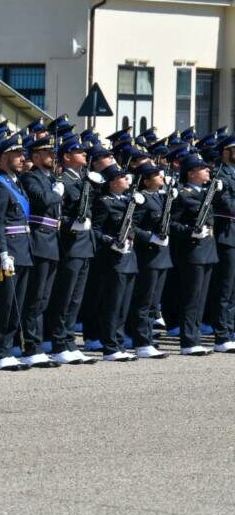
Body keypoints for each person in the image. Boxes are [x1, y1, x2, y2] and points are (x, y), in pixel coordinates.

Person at [44, 139, 99, 365]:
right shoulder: (62, 181)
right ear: (66, 157)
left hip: (85, 245)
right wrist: (70, 225)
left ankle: (69, 341)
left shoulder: (83, 179)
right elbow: (57, 214)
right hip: (70, 245)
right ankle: (58, 343)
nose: (84, 154)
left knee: (76, 299)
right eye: (78, 151)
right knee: (64, 298)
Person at [0, 135, 35, 370]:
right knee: (3, 303)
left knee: (16, 303)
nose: (22, 158)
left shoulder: (16, 183)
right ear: (4, 157)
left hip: (22, 248)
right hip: (9, 251)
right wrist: (3, 252)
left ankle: (8, 349)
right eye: (16, 154)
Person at [90, 163, 142, 361]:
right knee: (112, 304)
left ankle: (119, 342)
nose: (126, 179)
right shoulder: (104, 202)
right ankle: (110, 346)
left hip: (129, 257)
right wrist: (111, 242)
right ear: (112, 182)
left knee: (124, 305)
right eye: (121, 177)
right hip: (113, 258)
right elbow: (95, 230)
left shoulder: (129, 201)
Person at [19, 135, 62, 367]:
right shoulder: (30, 177)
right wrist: (58, 192)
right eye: (47, 153)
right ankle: (31, 346)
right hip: (39, 241)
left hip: (52, 241)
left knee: (44, 298)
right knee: (34, 298)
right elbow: (42, 200)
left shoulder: (50, 178)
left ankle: (37, 343)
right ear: (35, 157)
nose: (52, 157)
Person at [170, 155, 219, 356]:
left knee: (201, 298)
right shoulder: (181, 194)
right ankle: (188, 341)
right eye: (203, 169)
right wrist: (190, 231)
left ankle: (195, 336)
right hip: (192, 250)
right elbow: (171, 224)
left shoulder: (207, 192)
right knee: (191, 297)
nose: (208, 171)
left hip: (208, 249)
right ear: (191, 173)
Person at [125, 164, 171, 359]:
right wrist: (149, 237)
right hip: (148, 255)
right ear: (145, 181)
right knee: (144, 301)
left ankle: (148, 337)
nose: (161, 177)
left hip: (162, 256)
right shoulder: (141, 199)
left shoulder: (161, 197)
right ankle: (141, 342)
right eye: (156, 175)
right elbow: (131, 225)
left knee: (154, 302)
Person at [208, 135, 235, 353]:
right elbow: (226, 204)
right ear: (226, 150)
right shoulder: (219, 174)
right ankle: (222, 335)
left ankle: (231, 329)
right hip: (227, 236)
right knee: (225, 288)